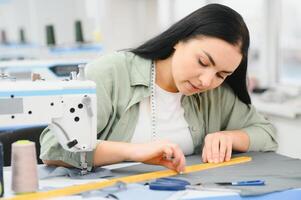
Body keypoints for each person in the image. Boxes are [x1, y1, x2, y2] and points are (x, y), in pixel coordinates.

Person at [40, 4, 277, 173]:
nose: (207, 81)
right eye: (203, 62)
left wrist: (230, 136)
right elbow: (52, 148)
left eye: (221, 74)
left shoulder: (215, 93)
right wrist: (132, 152)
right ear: (179, 39)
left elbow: (267, 134)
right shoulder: (111, 73)